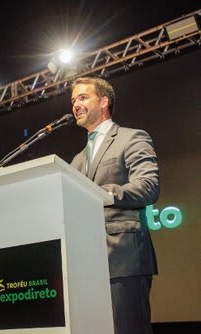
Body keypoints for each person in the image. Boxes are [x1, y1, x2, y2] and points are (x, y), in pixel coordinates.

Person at [69, 77, 160, 334]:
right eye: (73, 100)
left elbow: (149, 186)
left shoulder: (131, 138)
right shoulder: (77, 160)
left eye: (83, 97)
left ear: (104, 101)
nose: (75, 104)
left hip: (123, 259)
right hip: (86, 262)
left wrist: (103, 192)